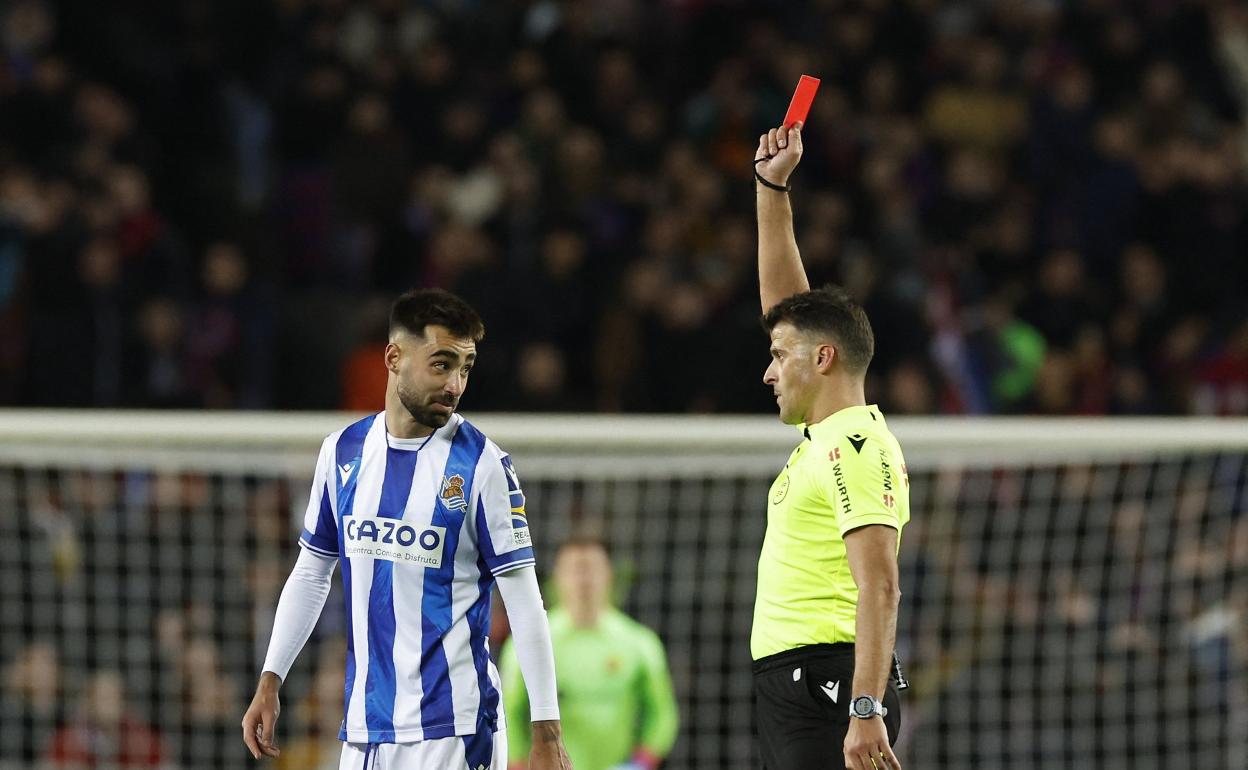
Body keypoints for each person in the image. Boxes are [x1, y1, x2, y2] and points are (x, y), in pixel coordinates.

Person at [241, 288, 573, 770]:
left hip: (454, 727)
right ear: (393, 358)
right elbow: (312, 573)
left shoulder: (483, 465)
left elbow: (523, 598)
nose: (455, 384)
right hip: (365, 729)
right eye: (442, 364)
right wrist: (271, 677)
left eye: (465, 368)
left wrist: (546, 730)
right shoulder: (342, 452)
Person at [750, 123, 911, 770]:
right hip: (801, 684)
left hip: (831, 684)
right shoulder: (827, 435)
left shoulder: (857, 445)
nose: (768, 372)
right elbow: (790, 311)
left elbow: (881, 585)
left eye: (778, 357)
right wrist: (771, 190)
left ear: (823, 360)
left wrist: (865, 708)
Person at [500, 536, 678, 770]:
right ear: (557, 578)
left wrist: (641, 763)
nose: (583, 580)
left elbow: (663, 715)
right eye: (575, 570)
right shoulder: (529, 643)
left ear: (610, 575)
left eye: (592, 569)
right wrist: (518, 765)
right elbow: (508, 713)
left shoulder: (640, 643)